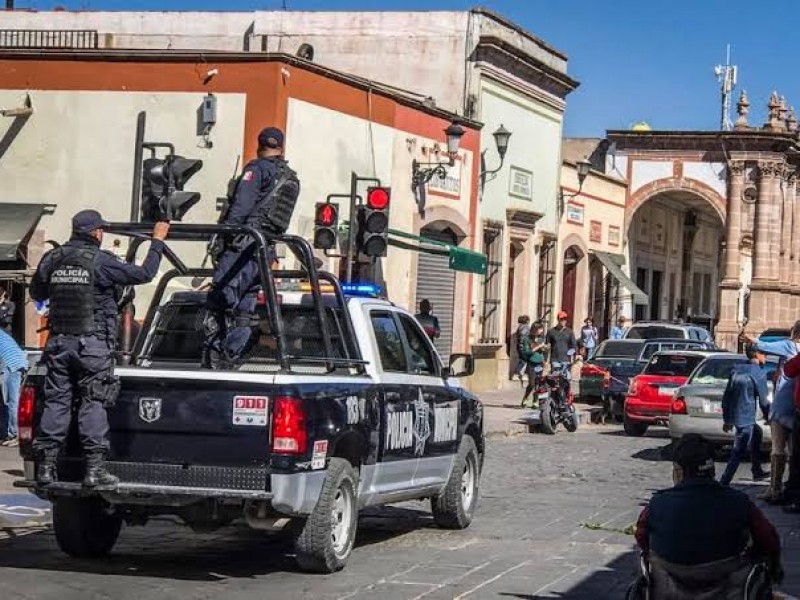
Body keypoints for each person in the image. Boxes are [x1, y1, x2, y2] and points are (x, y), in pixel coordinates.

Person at [29, 210, 170, 488]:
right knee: (93, 401)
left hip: (59, 343)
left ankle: (46, 469)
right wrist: (157, 241)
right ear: (97, 232)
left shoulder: (52, 259)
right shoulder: (101, 261)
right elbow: (144, 274)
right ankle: (94, 471)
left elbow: (37, 294)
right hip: (92, 345)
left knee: (56, 402)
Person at [204, 126, 300, 369]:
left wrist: (224, 236)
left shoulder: (256, 170)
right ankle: (232, 358)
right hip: (264, 251)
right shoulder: (290, 178)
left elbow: (241, 208)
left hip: (243, 247)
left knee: (219, 300)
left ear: (259, 145)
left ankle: (215, 360)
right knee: (244, 311)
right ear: (282, 147)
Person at [635, 434, 783, 591]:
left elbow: (641, 537)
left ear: (678, 471)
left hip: (670, 586)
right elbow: (768, 538)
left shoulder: (657, 504)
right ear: (712, 470)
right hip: (728, 585)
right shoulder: (739, 502)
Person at [744, 322, 800, 505]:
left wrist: (749, 339)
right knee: (795, 452)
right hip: (796, 404)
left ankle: (775, 489)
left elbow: (760, 345)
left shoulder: (789, 345)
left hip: (783, 404)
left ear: (794, 332)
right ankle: (792, 488)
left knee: (777, 448)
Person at [719, 345, 770, 485]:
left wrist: (727, 419)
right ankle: (724, 481)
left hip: (737, 415)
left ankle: (756, 470)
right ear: (756, 355)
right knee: (738, 451)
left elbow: (727, 396)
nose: (766, 356)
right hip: (746, 416)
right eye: (764, 354)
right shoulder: (758, 373)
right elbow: (764, 401)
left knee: (757, 433)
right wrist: (769, 417)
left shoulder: (737, 369)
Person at [0, 328, 26, 447]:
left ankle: (14, 435)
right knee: (10, 401)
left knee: (11, 402)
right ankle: (8, 433)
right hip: (17, 362)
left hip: (11, 365)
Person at [520, 322, 547, 408]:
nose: (541, 331)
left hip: (540, 363)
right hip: (531, 363)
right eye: (539, 329)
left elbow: (544, 351)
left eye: (541, 329)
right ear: (534, 329)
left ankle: (535, 401)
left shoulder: (541, 339)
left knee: (538, 383)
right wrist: (538, 347)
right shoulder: (527, 339)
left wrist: (545, 351)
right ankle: (525, 398)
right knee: (531, 383)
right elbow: (526, 352)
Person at [513, 315, 531, 384]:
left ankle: (521, 373)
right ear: (526, 321)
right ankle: (517, 373)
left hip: (519, 346)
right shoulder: (525, 327)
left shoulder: (519, 327)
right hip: (524, 346)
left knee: (522, 359)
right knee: (524, 360)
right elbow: (524, 337)